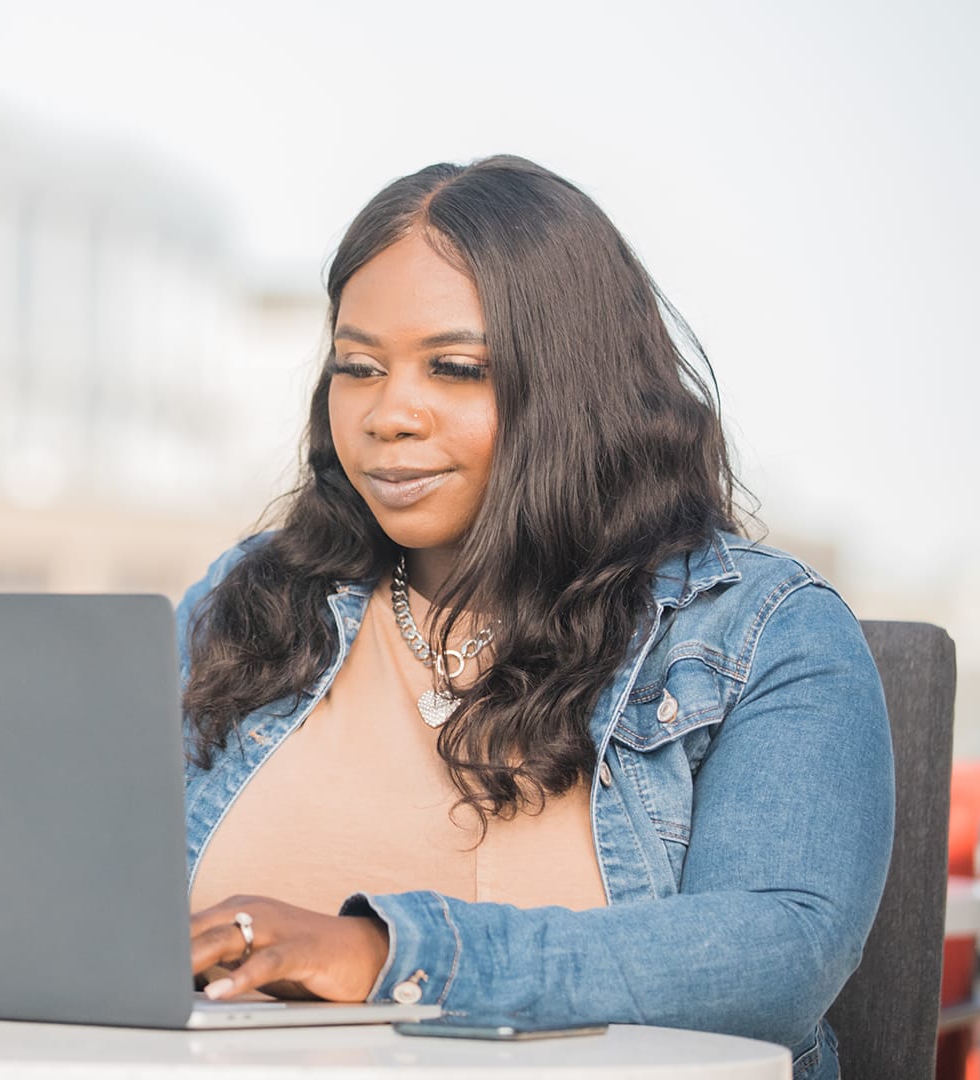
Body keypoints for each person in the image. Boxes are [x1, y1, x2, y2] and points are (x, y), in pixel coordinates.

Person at [175, 155, 891, 1080]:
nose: (388, 413)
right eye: (358, 367)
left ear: (576, 382)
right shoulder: (249, 602)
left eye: (455, 368)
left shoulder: (760, 630)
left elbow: (777, 956)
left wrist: (387, 957)